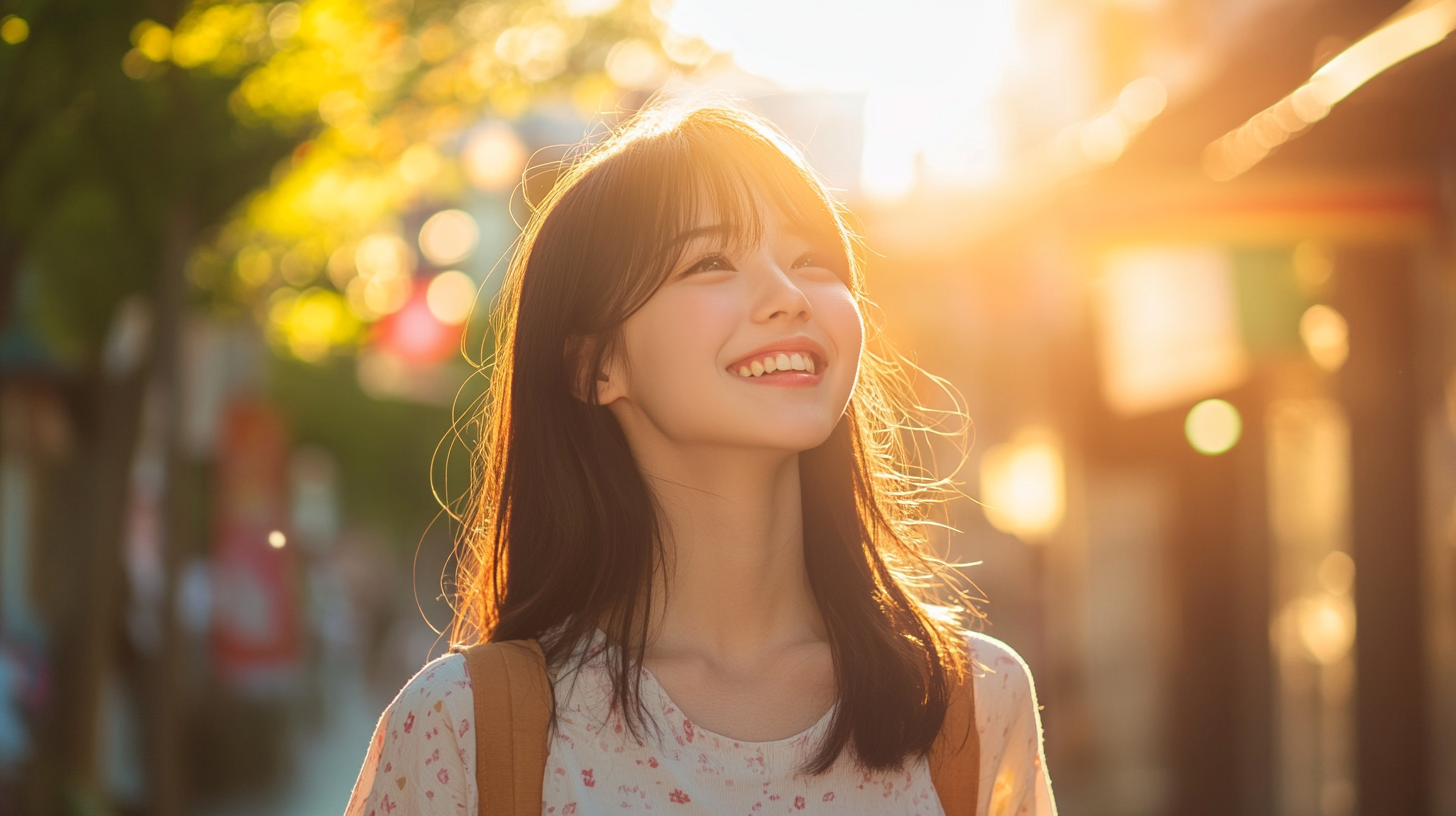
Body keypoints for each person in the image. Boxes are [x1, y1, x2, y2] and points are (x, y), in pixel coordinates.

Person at [344, 104, 1055, 816]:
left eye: (811, 260)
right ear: (594, 365)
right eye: (710, 262)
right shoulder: (464, 728)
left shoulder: (971, 702)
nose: (789, 296)